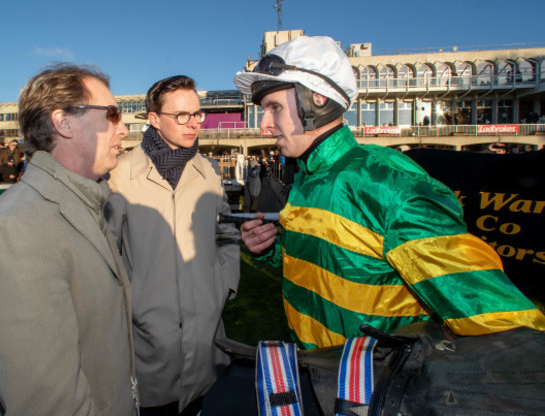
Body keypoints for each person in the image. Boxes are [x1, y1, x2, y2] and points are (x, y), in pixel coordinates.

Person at [233, 35, 545, 349]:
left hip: (371, 390)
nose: (265, 126)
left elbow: (505, 325)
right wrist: (272, 250)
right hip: (314, 374)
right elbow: (332, 268)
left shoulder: (387, 183)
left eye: (274, 107)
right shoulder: (306, 177)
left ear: (317, 100)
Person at [0, 63, 138, 415]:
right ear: (63, 123)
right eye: (111, 114)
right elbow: (49, 405)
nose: (123, 129)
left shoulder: (87, 204)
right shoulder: (13, 233)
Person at [106, 75, 240, 415]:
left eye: (197, 113)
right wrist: (133, 307)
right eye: (181, 115)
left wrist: (222, 286)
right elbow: (105, 257)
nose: (193, 123)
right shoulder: (117, 176)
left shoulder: (209, 170)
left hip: (208, 348)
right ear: (153, 119)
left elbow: (225, 234)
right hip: (147, 353)